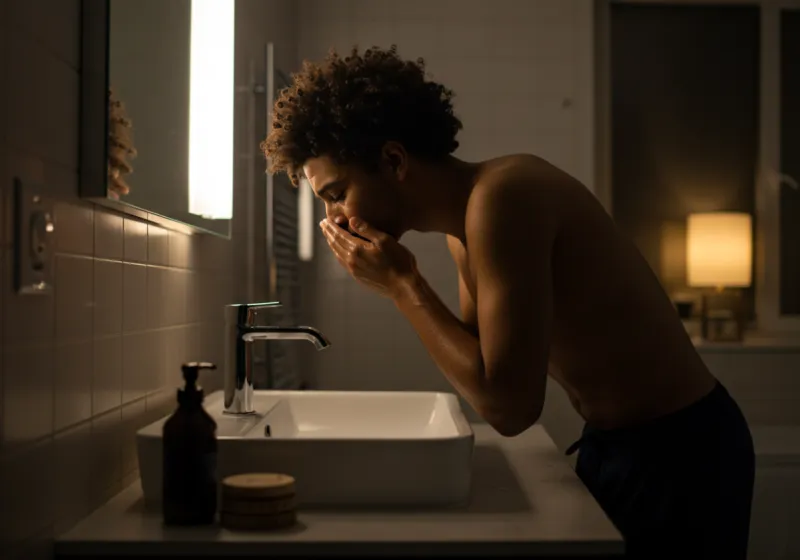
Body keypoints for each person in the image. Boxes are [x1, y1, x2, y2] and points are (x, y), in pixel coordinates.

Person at [260, 45, 755, 558]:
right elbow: (484, 370)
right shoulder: (464, 227)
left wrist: (405, 286)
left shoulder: (504, 197)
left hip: (682, 450)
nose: (336, 219)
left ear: (393, 159)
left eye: (337, 193)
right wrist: (403, 286)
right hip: (620, 444)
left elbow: (511, 405)